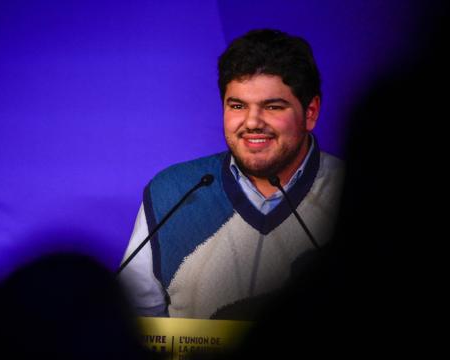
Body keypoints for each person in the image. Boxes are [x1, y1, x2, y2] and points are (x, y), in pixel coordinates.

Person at [119, 29, 344, 319]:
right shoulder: (173, 192)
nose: (252, 122)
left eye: (272, 106)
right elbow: (134, 322)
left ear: (311, 112)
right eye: (237, 106)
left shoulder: (358, 191)